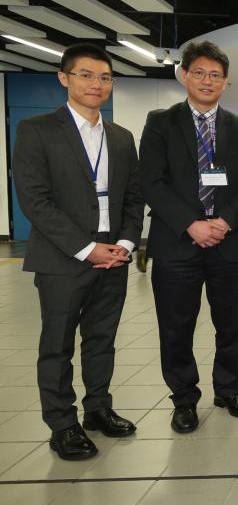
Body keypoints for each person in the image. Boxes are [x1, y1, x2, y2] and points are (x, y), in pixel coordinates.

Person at [13, 43, 144, 460]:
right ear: (64, 78)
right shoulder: (37, 130)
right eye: (86, 75)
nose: (97, 84)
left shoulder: (121, 138)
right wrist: (87, 249)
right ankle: (62, 424)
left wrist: (124, 243)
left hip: (114, 253)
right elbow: (34, 200)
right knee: (58, 343)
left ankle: (98, 409)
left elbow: (132, 198)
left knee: (102, 339)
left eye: (104, 77)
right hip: (63, 257)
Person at [139, 40, 238, 433]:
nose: (207, 81)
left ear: (226, 83)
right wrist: (192, 223)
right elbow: (151, 182)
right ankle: (184, 398)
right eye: (199, 73)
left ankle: (228, 389)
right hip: (177, 243)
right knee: (176, 326)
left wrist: (224, 221)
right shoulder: (160, 123)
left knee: (232, 324)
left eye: (215, 75)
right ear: (184, 76)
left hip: (230, 242)